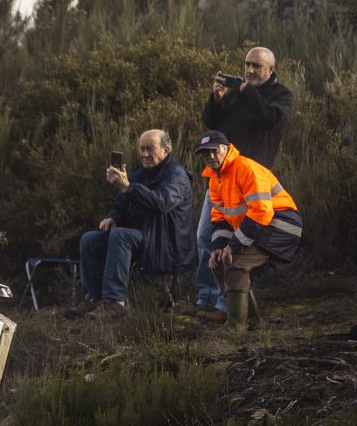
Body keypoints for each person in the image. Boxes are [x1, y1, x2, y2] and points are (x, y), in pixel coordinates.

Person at [196, 46, 294, 320]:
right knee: (206, 235)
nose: (249, 70)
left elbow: (269, 118)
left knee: (235, 243)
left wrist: (246, 92)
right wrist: (216, 100)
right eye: (247, 64)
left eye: (256, 66)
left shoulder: (281, 95)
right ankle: (206, 298)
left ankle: (226, 307)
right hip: (222, 177)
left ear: (271, 70)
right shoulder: (235, 93)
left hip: (253, 182)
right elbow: (211, 124)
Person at [70, 130, 196, 320]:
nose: (144, 154)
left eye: (150, 149)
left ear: (166, 150)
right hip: (142, 238)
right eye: (142, 149)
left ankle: (116, 302)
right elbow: (122, 202)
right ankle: (95, 299)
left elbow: (161, 203)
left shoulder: (177, 176)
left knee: (121, 235)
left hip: (165, 244)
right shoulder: (140, 172)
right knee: (90, 240)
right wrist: (113, 216)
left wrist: (128, 187)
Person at [197, 131, 302, 331]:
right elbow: (220, 218)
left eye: (214, 151)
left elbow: (261, 211)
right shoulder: (214, 179)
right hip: (262, 225)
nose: (210, 156)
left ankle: (235, 327)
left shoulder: (245, 168)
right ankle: (253, 322)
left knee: (234, 261)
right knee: (219, 262)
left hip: (283, 225)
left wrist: (234, 245)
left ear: (226, 149)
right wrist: (218, 247)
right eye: (205, 153)